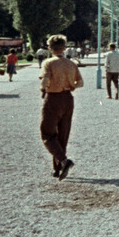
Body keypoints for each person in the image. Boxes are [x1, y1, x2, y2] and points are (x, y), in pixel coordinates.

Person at [39, 34, 84, 180]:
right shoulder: (71, 64)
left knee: (47, 132)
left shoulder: (49, 63)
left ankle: (64, 161)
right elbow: (80, 83)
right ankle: (57, 168)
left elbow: (45, 80)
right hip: (68, 99)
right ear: (64, 48)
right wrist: (70, 85)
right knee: (62, 134)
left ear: (50, 48)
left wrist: (43, 89)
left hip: (53, 97)